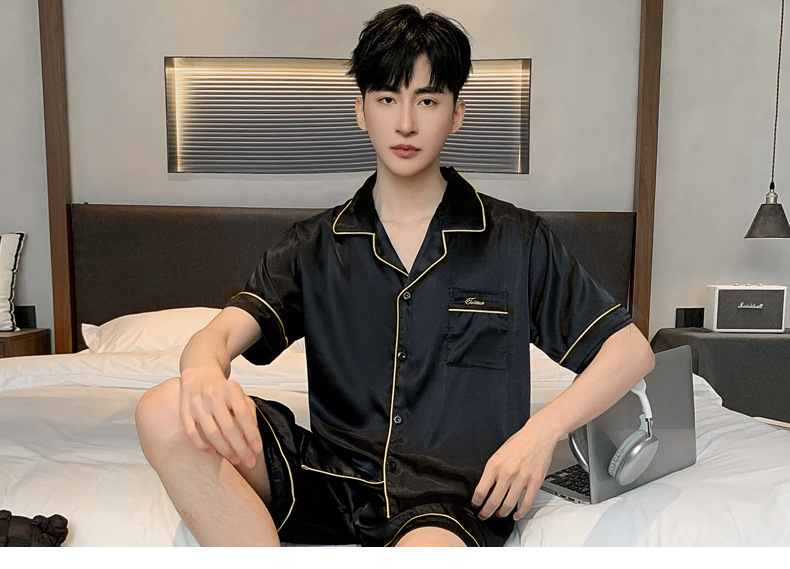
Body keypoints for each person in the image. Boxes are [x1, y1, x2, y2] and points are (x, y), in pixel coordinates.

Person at [135, 4, 655, 547]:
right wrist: (201, 368)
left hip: (449, 500)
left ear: (456, 114)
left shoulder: (517, 240)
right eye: (387, 99)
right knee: (163, 408)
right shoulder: (312, 245)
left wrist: (542, 432)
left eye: (427, 100)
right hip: (330, 480)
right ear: (361, 110)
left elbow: (629, 352)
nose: (406, 122)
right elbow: (219, 333)